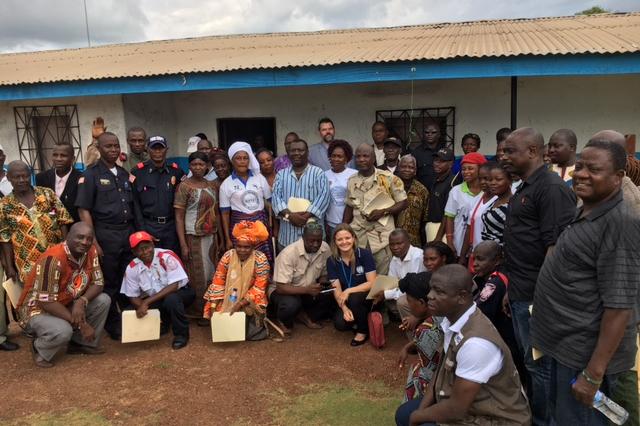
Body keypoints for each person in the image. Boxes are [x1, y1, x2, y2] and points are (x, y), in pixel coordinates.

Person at [530, 137, 638, 425]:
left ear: (618, 177)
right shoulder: (586, 207)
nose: (582, 174)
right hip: (564, 350)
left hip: (585, 360)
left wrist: (592, 375)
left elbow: (619, 308)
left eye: (594, 169)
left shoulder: (620, 223)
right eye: (579, 166)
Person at [501, 127, 576, 425]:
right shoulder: (526, 186)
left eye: (510, 151)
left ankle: (545, 421)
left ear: (532, 151)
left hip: (538, 299)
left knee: (541, 366)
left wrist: (542, 299)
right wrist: (511, 288)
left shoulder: (551, 188)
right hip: (521, 292)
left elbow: (556, 249)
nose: (504, 157)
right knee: (531, 364)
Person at [395, 264, 531, 426]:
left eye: (439, 292)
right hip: (470, 406)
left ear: (461, 296)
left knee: (418, 420)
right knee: (404, 414)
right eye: (431, 289)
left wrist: (417, 418)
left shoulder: (476, 344)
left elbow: (456, 409)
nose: (430, 296)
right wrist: (419, 412)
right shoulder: (452, 321)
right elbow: (439, 373)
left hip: (496, 418)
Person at [17, 222, 110, 368]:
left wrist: (82, 301)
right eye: (80, 237)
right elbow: (45, 302)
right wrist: (82, 324)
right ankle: (39, 348)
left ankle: (79, 344)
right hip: (36, 310)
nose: (85, 242)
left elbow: (98, 283)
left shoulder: (91, 251)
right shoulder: (53, 259)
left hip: (65, 302)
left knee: (103, 300)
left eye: (89, 239)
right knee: (63, 330)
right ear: (68, 236)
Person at [75, 131, 135, 340]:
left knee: (128, 279)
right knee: (109, 282)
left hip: (127, 233)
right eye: (108, 146)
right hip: (105, 234)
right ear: (99, 148)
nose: (113, 150)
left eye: (116, 145)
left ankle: (130, 320)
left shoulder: (124, 174)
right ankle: (112, 324)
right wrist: (93, 242)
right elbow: (84, 210)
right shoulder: (90, 175)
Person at [0, 161, 73, 283]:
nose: (22, 180)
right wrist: (9, 266)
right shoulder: (4, 205)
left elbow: (63, 220)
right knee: (35, 293)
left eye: (25, 176)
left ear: (30, 175)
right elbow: (5, 238)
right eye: (17, 177)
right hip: (27, 263)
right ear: (8, 178)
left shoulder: (47, 194)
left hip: (56, 255)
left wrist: (66, 250)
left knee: (61, 287)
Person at [121, 231, 195, 349]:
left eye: (147, 247)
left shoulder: (166, 256)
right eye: (140, 249)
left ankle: (181, 335)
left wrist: (146, 302)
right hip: (156, 298)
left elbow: (174, 285)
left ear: (152, 245)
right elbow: (132, 295)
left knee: (171, 300)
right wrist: (142, 307)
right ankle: (160, 324)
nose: (145, 252)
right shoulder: (132, 268)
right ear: (133, 252)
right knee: (130, 310)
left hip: (180, 292)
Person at [343, 144, 408, 275]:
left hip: (381, 238)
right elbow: (349, 206)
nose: (361, 159)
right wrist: (343, 228)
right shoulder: (351, 180)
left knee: (383, 277)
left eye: (365, 156)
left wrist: (383, 211)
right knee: (361, 275)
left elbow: (403, 202)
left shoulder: (388, 178)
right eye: (358, 157)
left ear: (373, 158)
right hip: (359, 237)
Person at [203, 221, 270, 341]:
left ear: (253, 247)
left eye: (246, 247)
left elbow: (259, 288)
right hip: (229, 296)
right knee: (221, 320)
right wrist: (214, 307)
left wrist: (240, 304)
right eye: (239, 246)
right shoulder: (228, 256)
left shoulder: (261, 260)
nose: (242, 250)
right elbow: (218, 282)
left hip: (249, 299)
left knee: (249, 333)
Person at [174, 151, 220, 322]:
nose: (198, 167)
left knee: (212, 273)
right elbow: (179, 217)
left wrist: (220, 238)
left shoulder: (212, 185)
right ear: (190, 166)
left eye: (201, 164)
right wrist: (183, 244)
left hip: (211, 236)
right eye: (194, 164)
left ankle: (212, 308)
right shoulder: (184, 186)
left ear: (207, 166)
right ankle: (199, 311)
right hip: (193, 237)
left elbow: (216, 211)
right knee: (197, 275)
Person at [269, 222, 332, 334]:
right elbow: (281, 287)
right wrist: (307, 290)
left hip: (308, 290)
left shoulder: (325, 248)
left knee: (330, 296)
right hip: (285, 291)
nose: (316, 244)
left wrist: (322, 285)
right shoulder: (288, 254)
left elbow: (324, 274)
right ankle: (283, 319)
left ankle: (302, 314)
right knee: (290, 305)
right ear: (303, 238)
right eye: (311, 241)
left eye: (319, 240)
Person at [220, 141, 274, 264]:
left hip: (261, 227)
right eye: (238, 158)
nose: (242, 161)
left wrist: (274, 228)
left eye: (245, 158)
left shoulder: (259, 178)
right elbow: (225, 214)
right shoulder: (226, 184)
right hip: (239, 228)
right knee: (243, 260)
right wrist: (227, 239)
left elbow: (271, 204)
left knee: (262, 259)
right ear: (232, 161)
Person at [272, 139, 330, 249]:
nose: (296, 153)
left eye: (300, 150)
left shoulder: (318, 173)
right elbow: (276, 198)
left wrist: (306, 216)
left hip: (314, 239)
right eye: (293, 150)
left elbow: (324, 197)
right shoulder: (281, 175)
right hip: (287, 238)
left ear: (307, 152)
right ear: (288, 153)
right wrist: (290, 216)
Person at [131, 136, 185, 254]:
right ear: (147, 150)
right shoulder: (138, 172)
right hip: (149, 226)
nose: (157, 152)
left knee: (172, 261)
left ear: (166, 149)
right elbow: (135, 204)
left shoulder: (176, 171)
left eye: (160, 148)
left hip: (171, 228)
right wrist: (143, 231)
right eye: (154, 148)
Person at [327, 224, 377, 346]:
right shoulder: (332, 260)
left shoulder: (364, 254)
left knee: (355, 298)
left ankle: (362, 331)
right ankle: (362, 318)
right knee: (340, 324)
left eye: (347, 238)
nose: (344, 242)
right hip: (345, 299)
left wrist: (349, 290)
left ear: (353, 238)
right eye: (340, 239)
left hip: (366, 296)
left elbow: (372, 283)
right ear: (335, 242)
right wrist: (344, 309)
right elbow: (336, 289)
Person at [396, 272, 442, 402]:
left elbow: (428, 371)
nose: (408, 305)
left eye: (409, 301)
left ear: (422, 302)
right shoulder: (446, 313)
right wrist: (407, 347)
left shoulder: (426, 331)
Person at [373, 229, 425, 320]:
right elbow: (391, 282)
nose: (395, 247)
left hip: (419, 293)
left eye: (399, 243)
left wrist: (386, 294)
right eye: (392, 244)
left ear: (408, 241)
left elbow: (413, 288)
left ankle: (412, 326)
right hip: (404, 291)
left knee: (401, 302)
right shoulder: (395, 259)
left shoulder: (418, 257)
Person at [443, 152, 486, 257]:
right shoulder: (456, 191)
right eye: (463, 169)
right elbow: (449, 218)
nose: (466, 172)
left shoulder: (488, 192)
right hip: (458, 244)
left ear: (481, 170)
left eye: (470, 168)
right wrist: (449, 242)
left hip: (481, 245)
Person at [458, 162, 497, 269]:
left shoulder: (498, 200)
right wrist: (462, 256)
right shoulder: (479, 198)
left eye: (487, 178)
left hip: (490, 256)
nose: (483, 182)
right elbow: (469, 228)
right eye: (480, 178)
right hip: (476, 254)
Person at [35, 143, 82, 222]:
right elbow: (41, 205)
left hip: (74, 225)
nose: (58, 159)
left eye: (63, 156)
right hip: (50, 225)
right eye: (55, 155)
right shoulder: (41, 178)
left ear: (73, 159)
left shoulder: (81, 178)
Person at [324, 140, 357, 238]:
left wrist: (345, 223)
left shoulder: (354, 175)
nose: (336, 159)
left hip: (350, 223)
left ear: (346, 158)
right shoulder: (324, 175)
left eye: (340, 156)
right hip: (330, 224)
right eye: (333, 156)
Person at [396, 155, 429, 248]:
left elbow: (425, 219)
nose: (407, 169)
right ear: (398, 168)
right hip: (392, 240)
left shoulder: (422, 190)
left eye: (411, 167)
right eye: (404, 166)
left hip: (414, 242)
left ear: (415, 171)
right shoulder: (390, 186)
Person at [425, 148, 455, 242]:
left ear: (450, 164)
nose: (437, 164)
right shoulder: (435, 179)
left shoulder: (452, 183)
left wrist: (438, 237)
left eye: (441, 161)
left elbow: (448, 213)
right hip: (432, 225)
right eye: (436, 160)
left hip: (442, 229)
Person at [480, 163, 512, 243]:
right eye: (490, 180)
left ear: (509, 180)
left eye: (498, 179)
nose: (493, 183)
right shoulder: (495, 201)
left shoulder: (513, 205)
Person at [412, 121, 445, 191]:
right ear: (423, 134)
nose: (430, 134)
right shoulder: (416, 152)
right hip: (422, 191)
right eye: (427, 132)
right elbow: (413, 174)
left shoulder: (445, 152)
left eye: (433, 132)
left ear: (439, 134)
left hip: (442, 191)